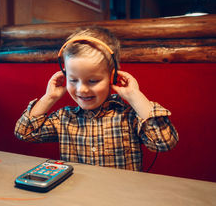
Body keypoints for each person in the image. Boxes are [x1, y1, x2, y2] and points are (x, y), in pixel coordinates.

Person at [14, 26, 178, 171]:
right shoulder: (64, 118)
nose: (82, 89)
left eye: (93, 81)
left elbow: (163, 142)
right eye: (73, 80)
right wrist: (49, 98)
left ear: (112, 77)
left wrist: (135, 97)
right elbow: (24, 132)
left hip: (122, 198)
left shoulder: (129, 117)